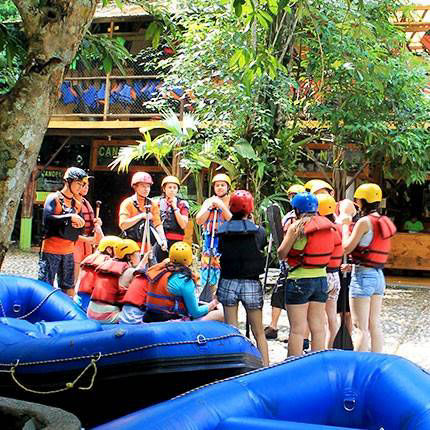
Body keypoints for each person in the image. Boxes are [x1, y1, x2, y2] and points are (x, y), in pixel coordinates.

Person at [278, 192, 336, 357]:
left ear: (296, 210)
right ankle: (316, 365)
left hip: (299, 280)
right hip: (321, 280)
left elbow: (282, 253)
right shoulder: (328, 226)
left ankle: (293, 367)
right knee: (318, 327)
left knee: (297, 329)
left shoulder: (296, 227)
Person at [340, 183, 396, 352]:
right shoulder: (382, 220)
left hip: (363, 277)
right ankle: (376, 363)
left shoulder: (364, 222)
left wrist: (344, 224)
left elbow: (346, 247)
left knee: (360, 328)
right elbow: (369, 251)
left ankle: (359, 369)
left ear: (362, 201)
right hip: (378, 277)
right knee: (374, 325)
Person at [216, 190, 269, 366]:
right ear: (250, 208)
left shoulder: (222, 231)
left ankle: (234, 367)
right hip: (251, 283)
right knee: (259, 331)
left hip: (229, 281)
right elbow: (260, 244)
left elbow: (222, 249)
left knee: (232, 329)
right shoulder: (259, 231)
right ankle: (265, 367)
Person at [265, 184, 305, 341]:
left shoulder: (308, 218)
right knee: (278, 294)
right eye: (291, 195)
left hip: (301, 264)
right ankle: (273, 326)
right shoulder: (288, 216)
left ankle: (300, 333)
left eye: (297, 195)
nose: (293, 198)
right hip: (286, 264)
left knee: (297, 300)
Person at [143, 242, 221, 322]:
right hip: (169, 321)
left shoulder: (159, 272)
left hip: (149, 318)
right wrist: (214, 303)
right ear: (189, 260)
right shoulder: (185, 279)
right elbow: (195, 313)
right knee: (220, 314)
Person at [38, 167, 86, 296]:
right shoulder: (54, 198)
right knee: (45, 285)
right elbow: (47, 219)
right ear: (68, 181)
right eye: (77, 183)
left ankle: (67, 313)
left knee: (68, 286)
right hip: (51, 249)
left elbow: (80, 229)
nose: (79, 187)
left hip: (68, 251)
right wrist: (69, 217)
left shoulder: (77, 205)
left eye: (81, 184)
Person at [196, 173, 233, 300]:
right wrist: (210, 208)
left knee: (224, 270)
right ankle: (208, 299)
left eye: (223, 185)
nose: (220, 188)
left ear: (228, 187)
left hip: (226, 240)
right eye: (217, 185)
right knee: (209, 270)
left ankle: (223, 299)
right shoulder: (208, 201)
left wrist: (222, 206)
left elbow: (232, 220)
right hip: (210, 240)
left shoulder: (232, 201)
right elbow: (199, 220)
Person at [87, 239, 142, 323]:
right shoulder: (130, 272)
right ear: (129, 256)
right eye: (137, 254)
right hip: (108, 316)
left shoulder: (105, 264)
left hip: (90, 312)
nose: (139, 257)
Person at [316, 194, 343, 348]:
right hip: (335, 276)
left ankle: (319, 350)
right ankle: (332, 348)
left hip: (322, 275)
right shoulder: (339, 228)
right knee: (332, 317)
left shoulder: (320, 229)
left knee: (318, 318)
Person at [119, 171, 167, 256]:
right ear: (135, 187)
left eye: (148, 186)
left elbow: (158, 224)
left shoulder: (152, 204)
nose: (146, 189)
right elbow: (123, 225)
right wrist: (141, 216)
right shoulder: (127, 203)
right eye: (143, 186)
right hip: (130, 247)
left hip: (148, 247)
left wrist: (163, 239)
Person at [73, 175, 104, 283]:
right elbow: (67, 231)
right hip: (75, 244)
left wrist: (97, 223)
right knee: (74, 279)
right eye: (83, 185)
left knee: (86, 277)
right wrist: (87, 240)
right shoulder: (71, 203)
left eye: (87, 185)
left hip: (87, 244)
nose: (86, 188)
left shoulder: (85, 202)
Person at [153, 175, 190, 262]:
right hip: (160, 240)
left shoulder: (182, 204)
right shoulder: (157, 203)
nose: (172, 189)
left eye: (174, 187)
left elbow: (183, 224)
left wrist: (175, 207)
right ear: (164, 189)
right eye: (169, 187)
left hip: (177, 241)